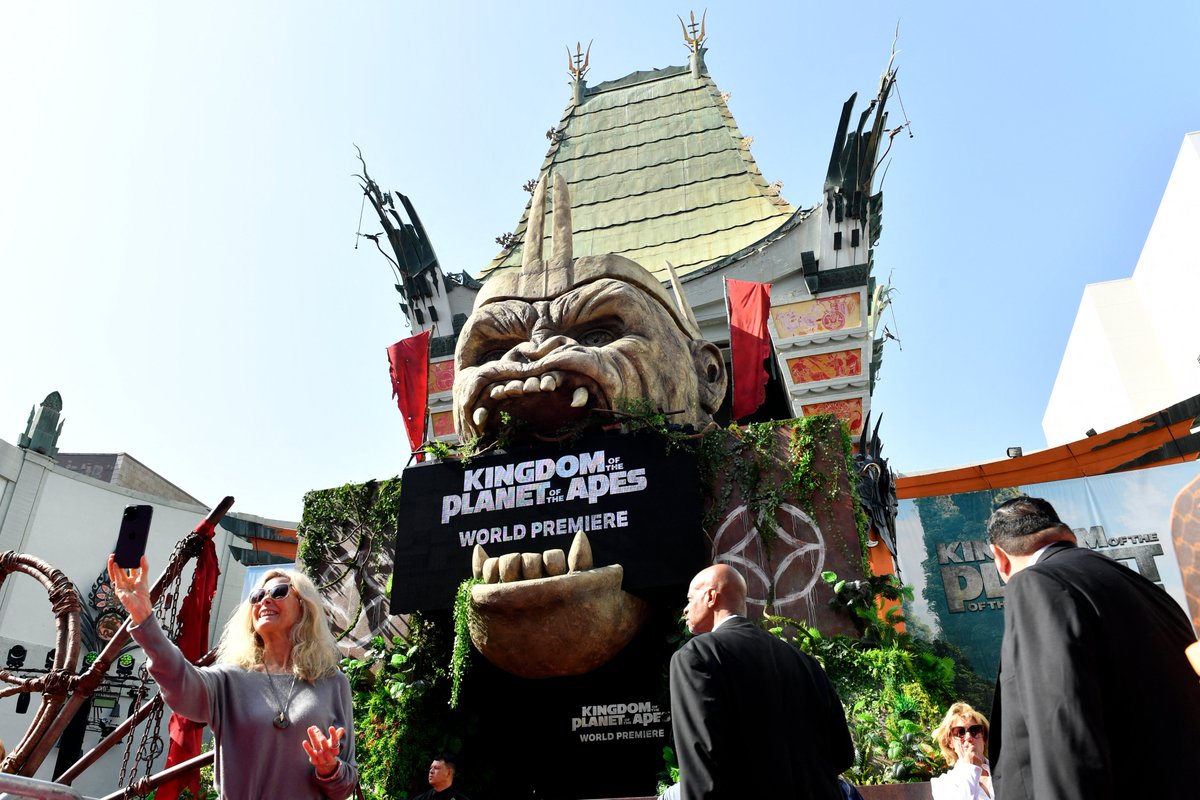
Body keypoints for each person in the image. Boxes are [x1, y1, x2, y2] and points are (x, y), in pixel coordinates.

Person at [986, 496, 1200, 800]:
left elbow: (1064, 727)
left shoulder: (1036, 583)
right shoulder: (1150, 591)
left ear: (999, 556)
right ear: (1064, 533)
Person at [108, 557, 358, 799]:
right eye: (257, 597)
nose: (265, 600)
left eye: (279, 591)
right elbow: (179, 680)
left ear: (304, 605)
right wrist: (144, 618)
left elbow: (345, 785)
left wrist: (330, 768)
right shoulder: (228, 679)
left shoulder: (333, 682)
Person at [668, 563, 853, 799]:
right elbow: (843, 755)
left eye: (689, 599)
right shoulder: (806, 662)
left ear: (711, 597)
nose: (685, 609)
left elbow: (702, 766)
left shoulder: (696, 656)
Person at [930, 702, 992, 799]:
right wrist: (971, 770)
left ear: (984, 738)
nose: (968, 737)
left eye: (974, 731)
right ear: (950, 742)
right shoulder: (943, 784)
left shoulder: (1006, 772)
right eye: (960, 732)